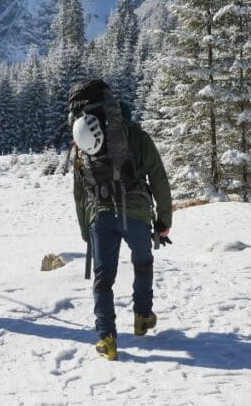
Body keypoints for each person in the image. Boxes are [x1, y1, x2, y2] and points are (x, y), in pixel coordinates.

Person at [70, 80, 172, 361]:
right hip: (137, 213)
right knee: (143, 264)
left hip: (100, 218)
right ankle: (142, 317)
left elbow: (80, 192)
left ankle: (107, 339)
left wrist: (85, 229)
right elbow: (159, 178)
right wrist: (164, 220)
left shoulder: (83, 143)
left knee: (103, 281)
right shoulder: (136, 136)